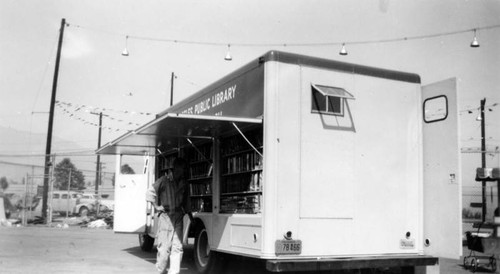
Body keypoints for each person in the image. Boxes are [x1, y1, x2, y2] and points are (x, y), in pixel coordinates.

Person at [146, 158, 189, 274]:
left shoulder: (184, 182)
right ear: (176, 168)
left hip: (178, 216)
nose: (183, 171)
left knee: (177, 247)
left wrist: (189, 213)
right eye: (182, 168)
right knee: (164, 248)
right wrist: (156, 206)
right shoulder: (164, 180)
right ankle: (160, 271)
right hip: (166, 216)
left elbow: (186, 200)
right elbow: (150, 192)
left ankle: (174, 272)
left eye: (184, 169)